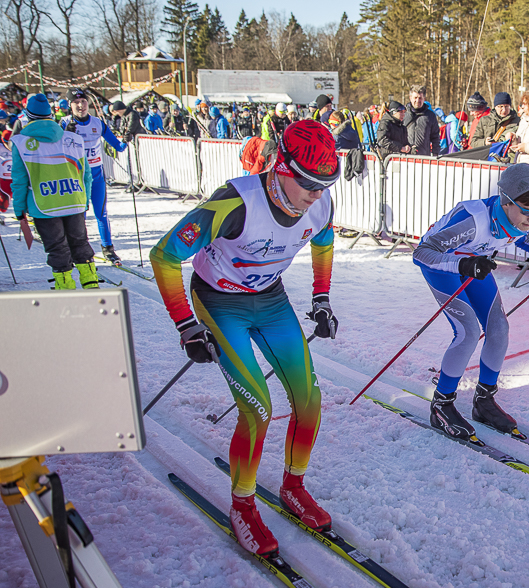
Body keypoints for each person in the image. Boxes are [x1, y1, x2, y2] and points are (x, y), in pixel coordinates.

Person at [149, 120, 340, 556]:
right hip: (219, 301)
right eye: (309, 182)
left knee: (309, 400)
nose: (317, 193)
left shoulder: (320, 203)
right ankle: (243, 505)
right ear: (281, 168)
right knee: (258, 408)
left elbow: (323, 240)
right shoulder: (235, 202)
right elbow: (164, 256)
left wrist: (322, 297)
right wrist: (185, 325)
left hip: (269, 299)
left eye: (327, 182)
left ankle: (293, 486)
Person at [413, 163, 529, 440]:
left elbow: (523, 237)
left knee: (499, 329)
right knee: (467, 333)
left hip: (473, 264)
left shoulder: (511, 217)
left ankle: (483, 401)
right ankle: (441, 405)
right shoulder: (473, 219)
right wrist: (462, 264)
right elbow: (422, 253)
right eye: (527, 211)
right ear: (506, 202)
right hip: (442, 265)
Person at [11, 93, 96, 290]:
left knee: (57, 247)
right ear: (51, 114)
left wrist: (19, 209)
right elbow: (87, 175)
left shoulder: (21, 142)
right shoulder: (73, 138)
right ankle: (91, 284)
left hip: (44, 204)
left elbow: (20, 181)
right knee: (80, 243)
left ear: (27, 116)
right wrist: (86, 200)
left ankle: (65, 288)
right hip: (74, 200)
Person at [61, 89, 129, 263]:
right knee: (79, 215)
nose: (81, 105)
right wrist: (65, 134)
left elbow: (117, 145)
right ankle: (79, 249)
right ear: (70, 105)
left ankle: (108, 248)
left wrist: (127, 139)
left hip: (96, 174)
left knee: (101, 213)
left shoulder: (98, 123)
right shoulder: (63, 123)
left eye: (83, 101)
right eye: (76, 103)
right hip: (75, 176)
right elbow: (54, 147)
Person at [405, 84, 440, 156]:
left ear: (424, 99)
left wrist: (435, 153)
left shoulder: (430, 116)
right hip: (405, 157)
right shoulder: (403, 114)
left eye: (420, 98)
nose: (417, 100)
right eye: (415, 97)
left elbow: (435, 137)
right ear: (410, 98)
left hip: (423, 157)